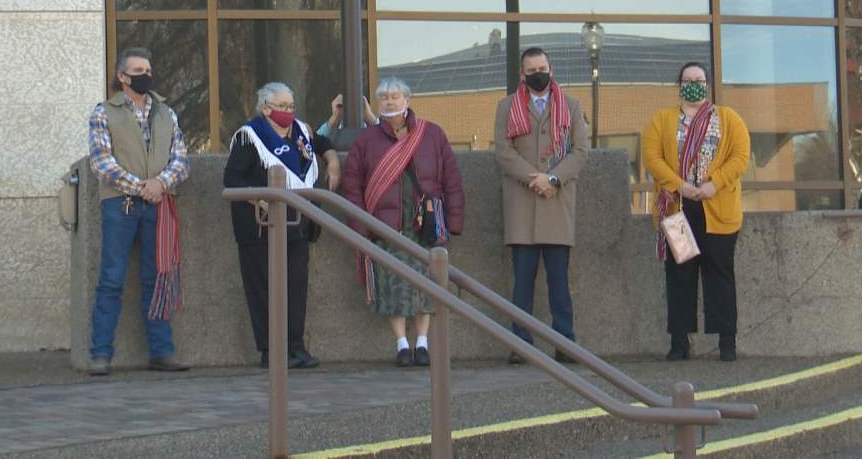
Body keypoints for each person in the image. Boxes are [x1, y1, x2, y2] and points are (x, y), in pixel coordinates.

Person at [342, 77, 464, 367]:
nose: (389, 101)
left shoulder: (431, 134)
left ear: (408, 100)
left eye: (395, 96)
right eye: (384, 97)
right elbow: (352, 187)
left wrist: (455, 220)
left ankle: (422, 343)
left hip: (426, 223)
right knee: (393, 285)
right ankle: (401, 344)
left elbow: (451, 178)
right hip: (386, 225)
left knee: (426, 285)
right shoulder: (366, 139)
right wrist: (361, 228)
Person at [86, 47, 191, 376]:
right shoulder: (104, 112)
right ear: (122, 76)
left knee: (157, 279)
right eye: (138, 70)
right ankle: (100, 354)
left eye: (148, 69)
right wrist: (141, 186)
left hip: (159, 204)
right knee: (111, 279)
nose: (145, 75)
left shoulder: (165, 112)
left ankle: (161, 352)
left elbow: (181, 157)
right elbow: (101, 162)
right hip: (121, 204)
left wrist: (160, 184)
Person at [224, 83, 341, 369]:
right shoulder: (249, 137)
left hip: (297, 224)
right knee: (264, 288)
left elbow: (322, 143)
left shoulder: (301, 130)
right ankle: (271, 350)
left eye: (291, 106)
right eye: (282, 106)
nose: (288, 111)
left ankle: (295, 346)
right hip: (259, 228)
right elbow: (232, 179)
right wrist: (262, 199)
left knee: (296, 288)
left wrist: (333, 161)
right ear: (266, 108)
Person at [642, 62, 751, 362]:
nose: (694, 84)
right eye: (688, 79)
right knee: (680, 276)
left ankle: (727, 342)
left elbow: (740, 156)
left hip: (718, 210)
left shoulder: (728, 119)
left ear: (708, 85)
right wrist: (679, 186)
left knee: (720, 275)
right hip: (678, 209)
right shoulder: (661, 121)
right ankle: (680, 342)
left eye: (699, 80)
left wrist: (715, 184)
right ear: (679, 85)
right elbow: (652, 158)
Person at [494, 47, 589, 365]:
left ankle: (566, 342)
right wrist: (534, 178)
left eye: (542, 68)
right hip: (523, 203)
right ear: (522, 74)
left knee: (559, 282)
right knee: (522, 281)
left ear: (552, 68)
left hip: (556, 202)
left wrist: (553, 179)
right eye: (531, 70)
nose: (538, 74)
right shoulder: (507, 106)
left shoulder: (572, 106)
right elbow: (503, 152)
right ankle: (521, 343)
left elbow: (580, 152)